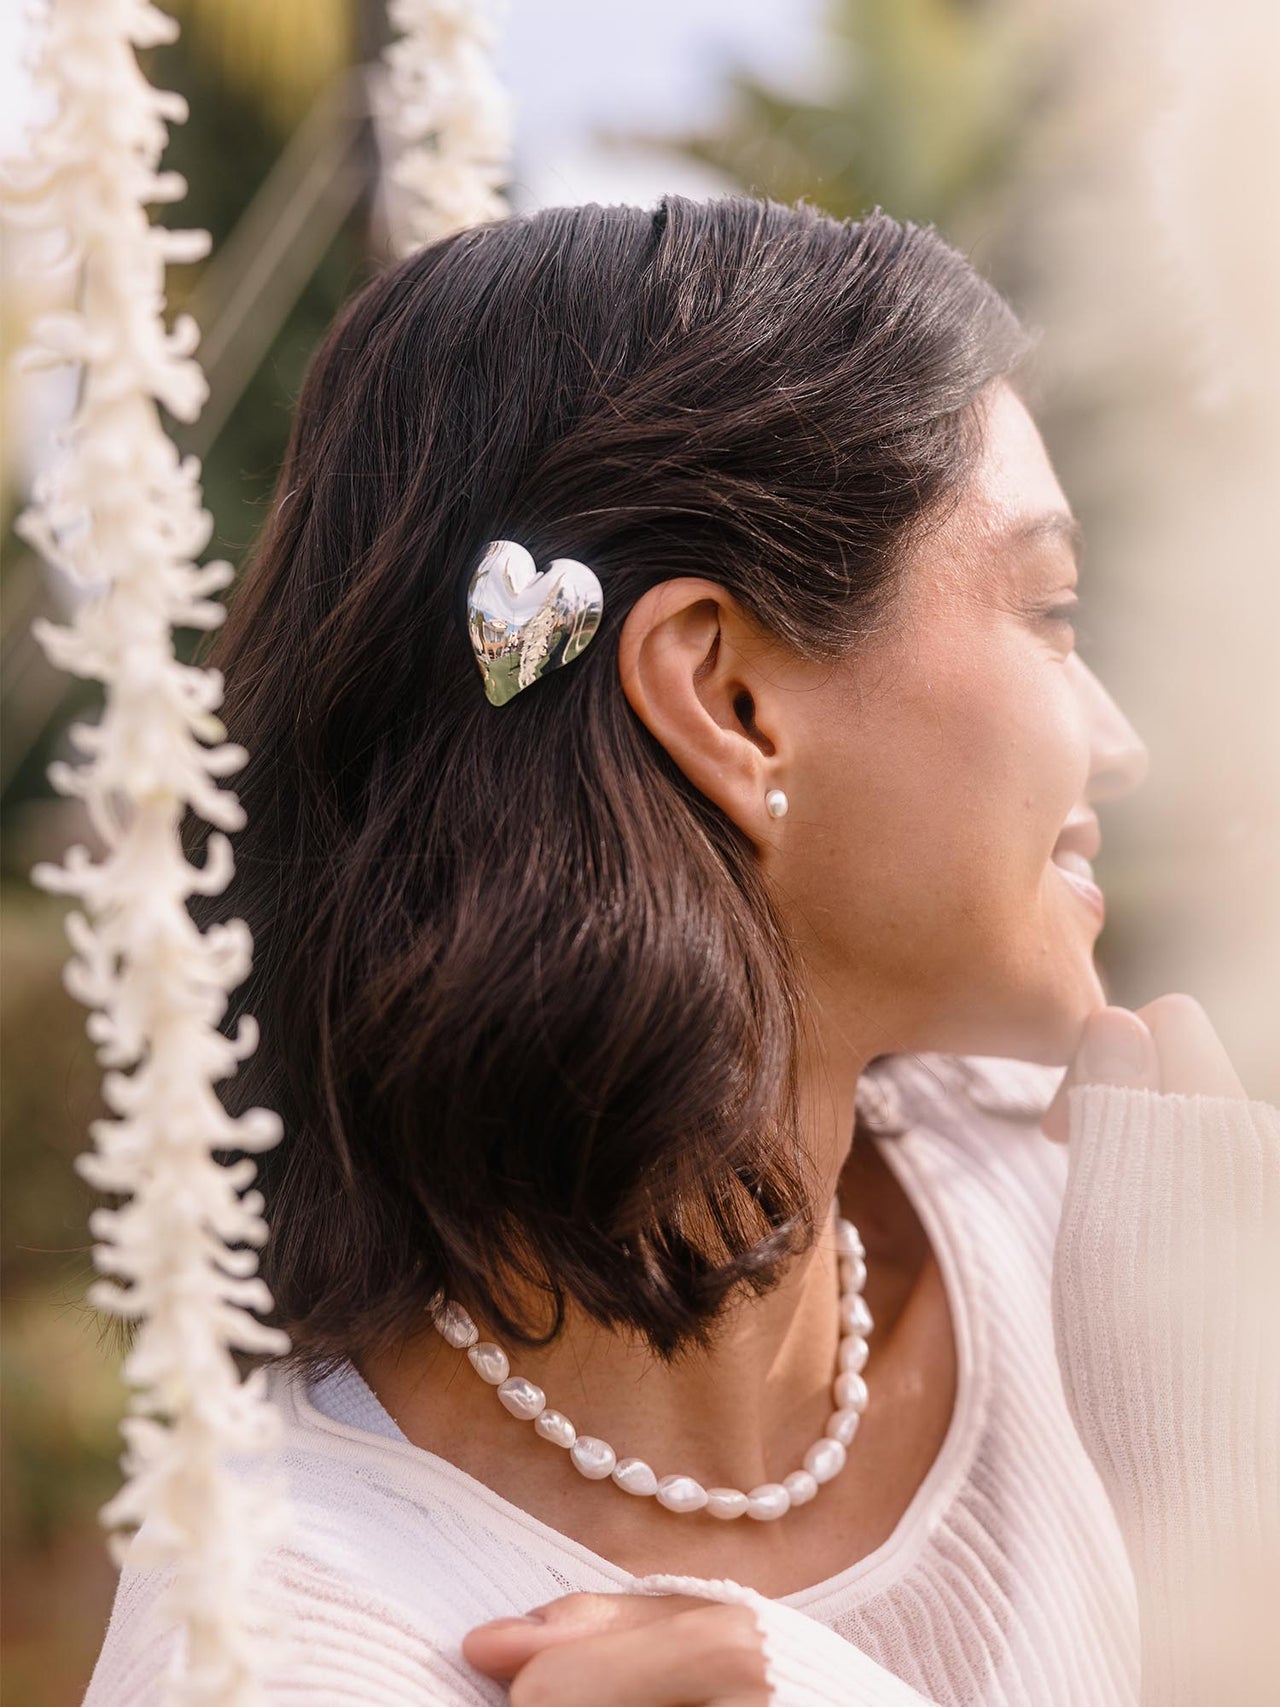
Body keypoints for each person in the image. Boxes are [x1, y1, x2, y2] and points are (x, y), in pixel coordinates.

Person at [82, 195, 1278, 1706]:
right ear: (728, 701)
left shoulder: (1091, 1210)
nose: (1120, 742)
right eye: (1048, 612)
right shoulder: (283, 1652)